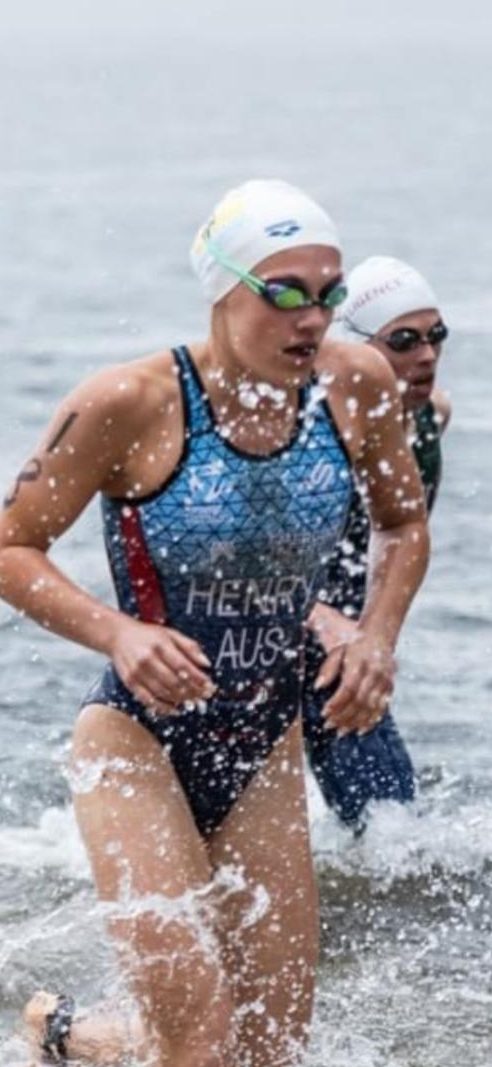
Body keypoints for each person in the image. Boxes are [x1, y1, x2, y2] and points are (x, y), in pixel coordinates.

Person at [0, 180, 429, 1067]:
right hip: (137, 742)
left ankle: (63, 1031)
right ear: (222, 286)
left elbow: (403, 523)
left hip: (264, 742)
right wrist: (118, 633)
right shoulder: (131, 400)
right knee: (197, 1044)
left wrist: (375, 636)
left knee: (269, 1049)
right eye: (285, 292)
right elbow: (12, 545)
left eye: (329, 293)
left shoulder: (355, 384)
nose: (312, 318)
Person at [302, 255, 451, 832]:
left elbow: (401, 535)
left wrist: (373, 635)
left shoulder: (433, 416)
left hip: (353, 651)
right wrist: (323, 619)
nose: (427, 355)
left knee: (391, 829)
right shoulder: (313, 434)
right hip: (274, 633)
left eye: (436, 336)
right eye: (404, 340)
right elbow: (242, 562)